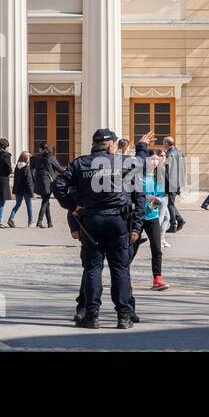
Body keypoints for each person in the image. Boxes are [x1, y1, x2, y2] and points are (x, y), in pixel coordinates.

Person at [60, 128, 144, 329]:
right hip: (118, 220)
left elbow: (59, 186)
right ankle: (123, 316)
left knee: (93, 268)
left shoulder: (80, 163)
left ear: (94, 143)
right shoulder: (123, 162)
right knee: (120, 268)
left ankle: (92, 315)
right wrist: (137, 227)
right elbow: (139, 192)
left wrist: (73, 206)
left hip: (92, 220)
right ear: (111, 145)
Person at [129, 152, 169, 290]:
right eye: (152, 159)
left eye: (157, 159)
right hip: (138, 217)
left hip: (152, 216)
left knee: (157, 248)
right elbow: (132, 195)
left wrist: (157, 200)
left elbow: (160, 197)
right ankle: (122, 275)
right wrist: (145, 197)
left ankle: (157, 279)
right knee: (132, 248)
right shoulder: (138, 176)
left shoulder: (159, 178)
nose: (155, 162)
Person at [30, 142, 64, 228]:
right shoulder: (51, 158)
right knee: (45, 201)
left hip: (39, 183)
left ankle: (50, 223)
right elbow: (59, 169)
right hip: (48, 183)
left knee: (46, 201)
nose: (39, 150)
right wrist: (67, 173)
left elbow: (32, 169)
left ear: (41, 149)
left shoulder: (37, 158)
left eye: (39, 149)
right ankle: (39, 221)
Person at [162, 137, 187, 232]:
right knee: (170, 203)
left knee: (170, 204)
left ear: (167, 143)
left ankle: (173, 224)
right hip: (178, 181)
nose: (163, 144)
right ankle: (179, 220)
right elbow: (183, 168)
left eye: (164, 142)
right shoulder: (180, 152)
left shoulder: (169, 154)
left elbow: (167, 171)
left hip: (171, 182)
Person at [8, 150, 35, 228]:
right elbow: (29, 181)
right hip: (26, 189)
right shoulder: (26, 168)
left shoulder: (17, 167)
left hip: (18, 189)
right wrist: (32, 192)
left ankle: (10, 218)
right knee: (29, 205)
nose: (29, 159)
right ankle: (30, 222)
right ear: (26, 159)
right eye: (28, 158)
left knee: (17, 204)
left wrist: (27, 154)